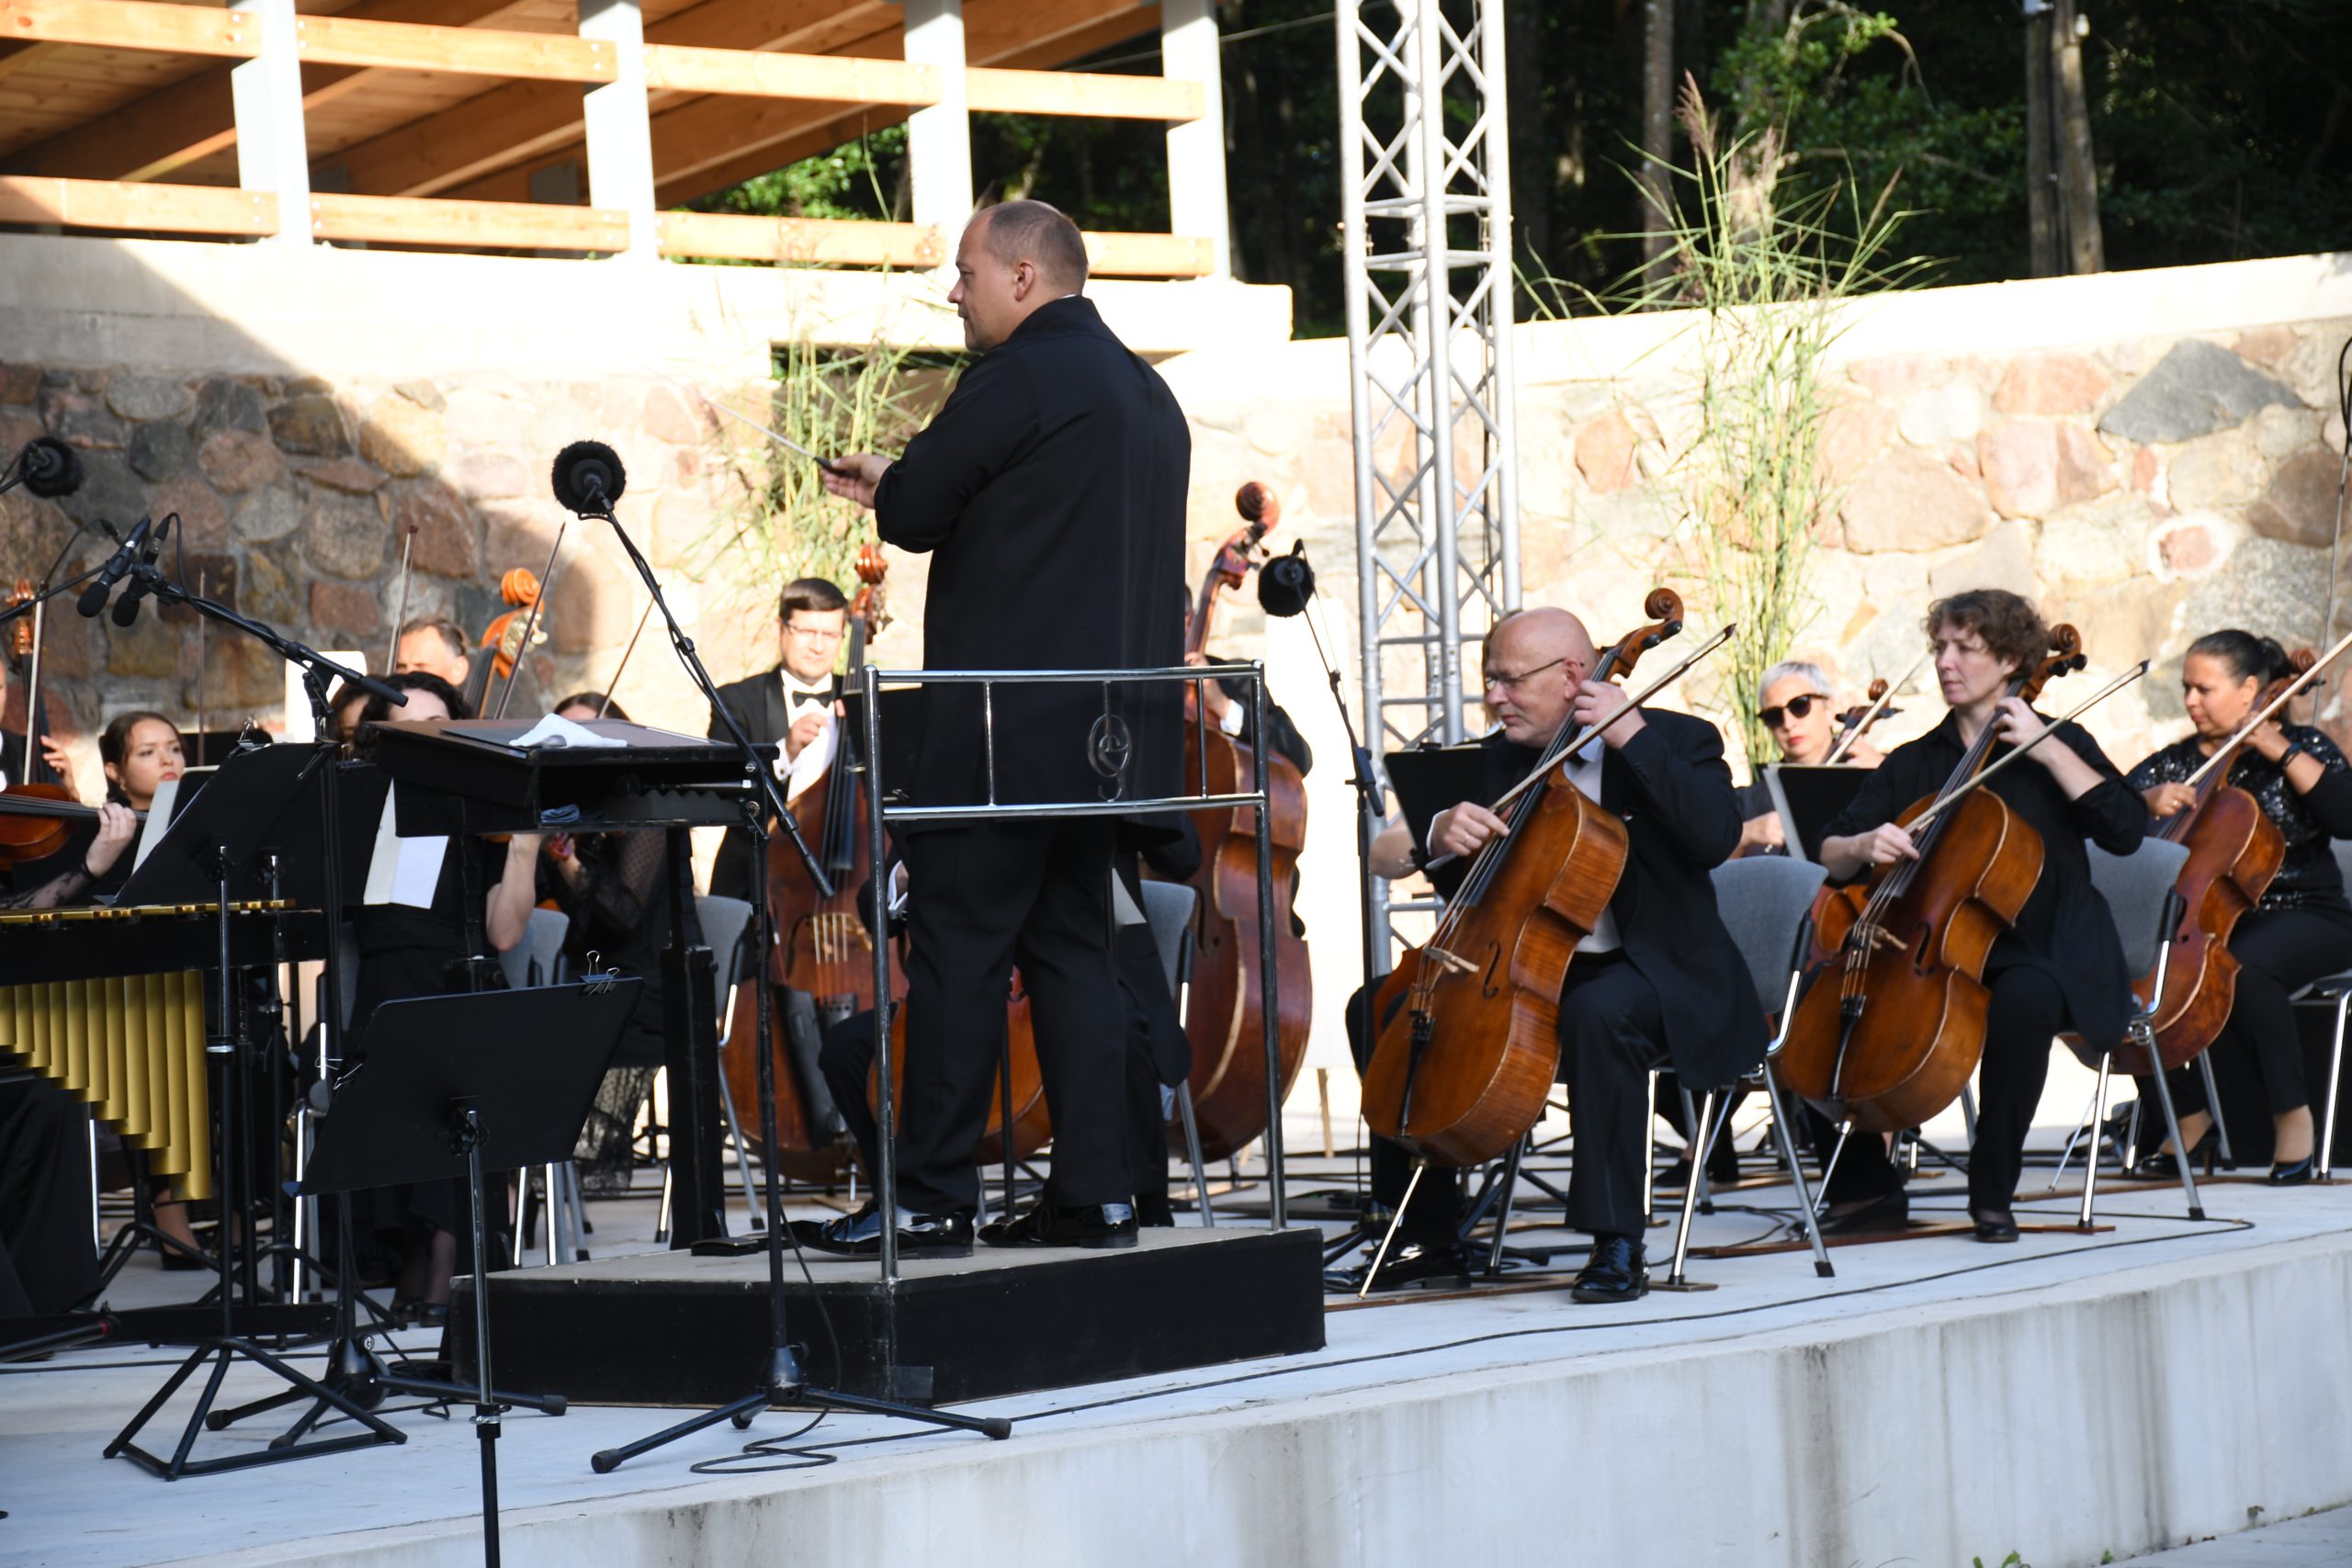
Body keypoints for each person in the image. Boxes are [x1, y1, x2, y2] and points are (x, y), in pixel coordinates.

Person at [818, 198, 1186, 1255]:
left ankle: (933, 1196)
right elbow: (1043, 520)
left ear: (1023, 277)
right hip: (1107, 747)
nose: (955, 290)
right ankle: (1097, 1193)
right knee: (1072, 952)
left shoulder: (1018, 374)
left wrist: (893, 484)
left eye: (967, 271)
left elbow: (918, 512)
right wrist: (906, 483)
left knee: (957, 953)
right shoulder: (1149, 395)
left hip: (1001, 733)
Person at [1339, 606, 1763, 1301]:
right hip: (1523, 968)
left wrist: (1631, 735)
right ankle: (1427, 1231)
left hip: (1657, 971)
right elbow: (1383, 853)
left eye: (1510, 680)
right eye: (1489, 680)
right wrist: (1436, 832)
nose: (1494, 696)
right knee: (1379, 1006)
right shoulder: (1495, 760)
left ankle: (1616, 1241)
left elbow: (1717, 836)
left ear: (1572, 676)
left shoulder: (1676, 739)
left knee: (1598, 1012)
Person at [1809, 590, 2146, 1242]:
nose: (1946, 661)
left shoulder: (2062, 742)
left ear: (2012, 660)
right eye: (1941, 646)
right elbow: (1829, 849)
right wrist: (1864, 844)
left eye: (1966, 648)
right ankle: (1864, 1186)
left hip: (2048, 945)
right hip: (1936, 948)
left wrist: (2046, 748)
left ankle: (1992, 1190)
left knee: (2023, 1000)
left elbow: (2127, 829)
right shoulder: (1915, 761)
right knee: (1826, 1004)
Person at [345, 671, 538, 1321]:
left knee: (455, 1055)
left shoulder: (479, 809)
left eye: (437, 727)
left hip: (463, 982)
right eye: (408, 731)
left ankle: (445, 1250)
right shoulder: (361, 810)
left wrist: (524, 844)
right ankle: (421, 1244)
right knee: (406, 1050)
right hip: (385, 989)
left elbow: (504, 933)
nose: (424, 740)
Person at [2125, 631, 2352, 1183]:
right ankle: (2187, 1114)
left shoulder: (2303, 746)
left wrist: (2280, 749)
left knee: (2243, 968)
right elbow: (2106, 815)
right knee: (2125, 973)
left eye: (2204, 689)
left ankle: (2293, 1119)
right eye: (2186, 688)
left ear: (2251, 690)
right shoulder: (2176, 764)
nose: (2191, 701)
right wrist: (2143, 803)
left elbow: (2347, 818)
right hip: (2211, 920)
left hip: (2310, 913)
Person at [536, 693, 700, 1187]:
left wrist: (567, 861)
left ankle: (552, 1160)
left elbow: (624, 914)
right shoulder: (574, 814)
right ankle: (530, 1167)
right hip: (591, 972)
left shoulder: (648, 812)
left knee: (554, 1019)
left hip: (648, 983)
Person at [706, 577, 851, 905]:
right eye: (807, 632)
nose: (818, 646)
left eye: (830, 635)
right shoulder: (735, 701)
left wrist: (860, 735)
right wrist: (786, 751)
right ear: (781, 628)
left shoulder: (860, 698)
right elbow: (724, 792)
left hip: (845, 876)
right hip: (757, 880)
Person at [1735, 660, 1884, 857]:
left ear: (1829, 709)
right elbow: (1712, 868)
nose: (1788, 723)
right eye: (1774, 715)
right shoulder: (1747, 801)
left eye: (1800, 705)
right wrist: (1744, 835)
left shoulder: (1877, 769)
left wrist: (1885, 772)